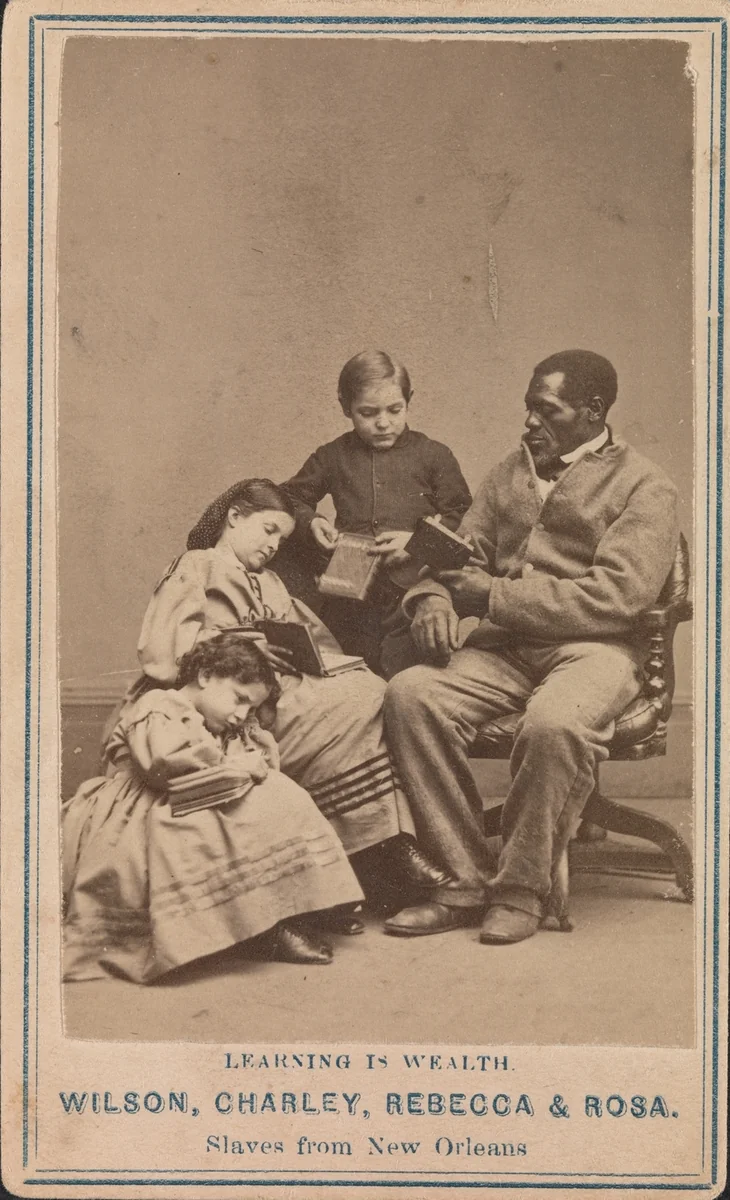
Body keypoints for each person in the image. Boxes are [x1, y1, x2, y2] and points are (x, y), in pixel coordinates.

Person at [382, 350, 680, 945]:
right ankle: (462, 879)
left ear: (593, 412)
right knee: (410, 695)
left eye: (547, 411)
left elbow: (617, 597)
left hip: (595, 651)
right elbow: (449, 556)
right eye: (528, 410)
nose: (529, 425)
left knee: (552, 724)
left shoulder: (647, 486)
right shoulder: (508, 473)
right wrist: (433, 600)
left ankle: (521, 889)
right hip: (505, 651)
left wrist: (492, 596)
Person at [120, 478, 450, 929]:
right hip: (220, 696)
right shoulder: (196, 566)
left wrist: (311, 656)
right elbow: (162, 652)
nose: (274, 545)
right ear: (234, 517)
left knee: (372, 690)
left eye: (281, 538)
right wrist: (242, 643)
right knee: (363, 701)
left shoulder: (270, 582)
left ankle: (377, 852)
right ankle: (381, 854)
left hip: (279, 689)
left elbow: (313, 640)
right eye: (268, 530)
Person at [63, 634, 365, 983]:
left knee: (279, 794)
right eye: (238, 699)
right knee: (210, 825)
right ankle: (262, 929)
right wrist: (232, 768)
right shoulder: (159, 705)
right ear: (205, 676)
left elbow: (227, 763)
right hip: (142, 805)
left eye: (250, 708)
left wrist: (247, 754)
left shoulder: (217, 720)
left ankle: (301, 905)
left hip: (190, 794)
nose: (241, 714)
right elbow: (163, 763)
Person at [279, 350, 471, 675]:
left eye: (395, 410)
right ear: (345, 407)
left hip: (412, 591)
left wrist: (415, 542)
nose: (383, 423)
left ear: (410, 399)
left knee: (405, 672)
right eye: (367, 413)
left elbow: (464, 518)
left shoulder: (434, 455)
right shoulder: (332, 456)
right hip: (347, 589)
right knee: (350, 668)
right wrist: (312, 522)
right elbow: (286, 498)